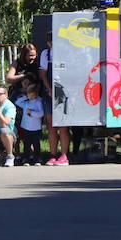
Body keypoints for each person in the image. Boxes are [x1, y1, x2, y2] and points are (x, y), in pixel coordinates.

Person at [38, 34, 70, 166]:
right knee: (51, 126)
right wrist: (49, 89)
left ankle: (64, 156)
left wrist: (60, 90)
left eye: (54, 40)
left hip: (63, 91)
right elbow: (43, 74)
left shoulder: (66, 53)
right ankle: (52, 155)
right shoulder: (45, 54)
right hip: (48, 92)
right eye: (49, 41)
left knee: (62, 126)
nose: (52, 43)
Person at [14, 80, 46, 165]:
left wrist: (31, 113)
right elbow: (17, 102)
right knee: (27, 144)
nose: (30, 96)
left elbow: (41, 114)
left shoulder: (38, 102)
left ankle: (37, 159)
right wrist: (25, 96)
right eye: (29, 94)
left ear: (36, 94)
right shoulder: (26, 103)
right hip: (26, 127)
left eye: (32, 94)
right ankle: (26, 159)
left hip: (36, 127)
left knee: (36, 144)